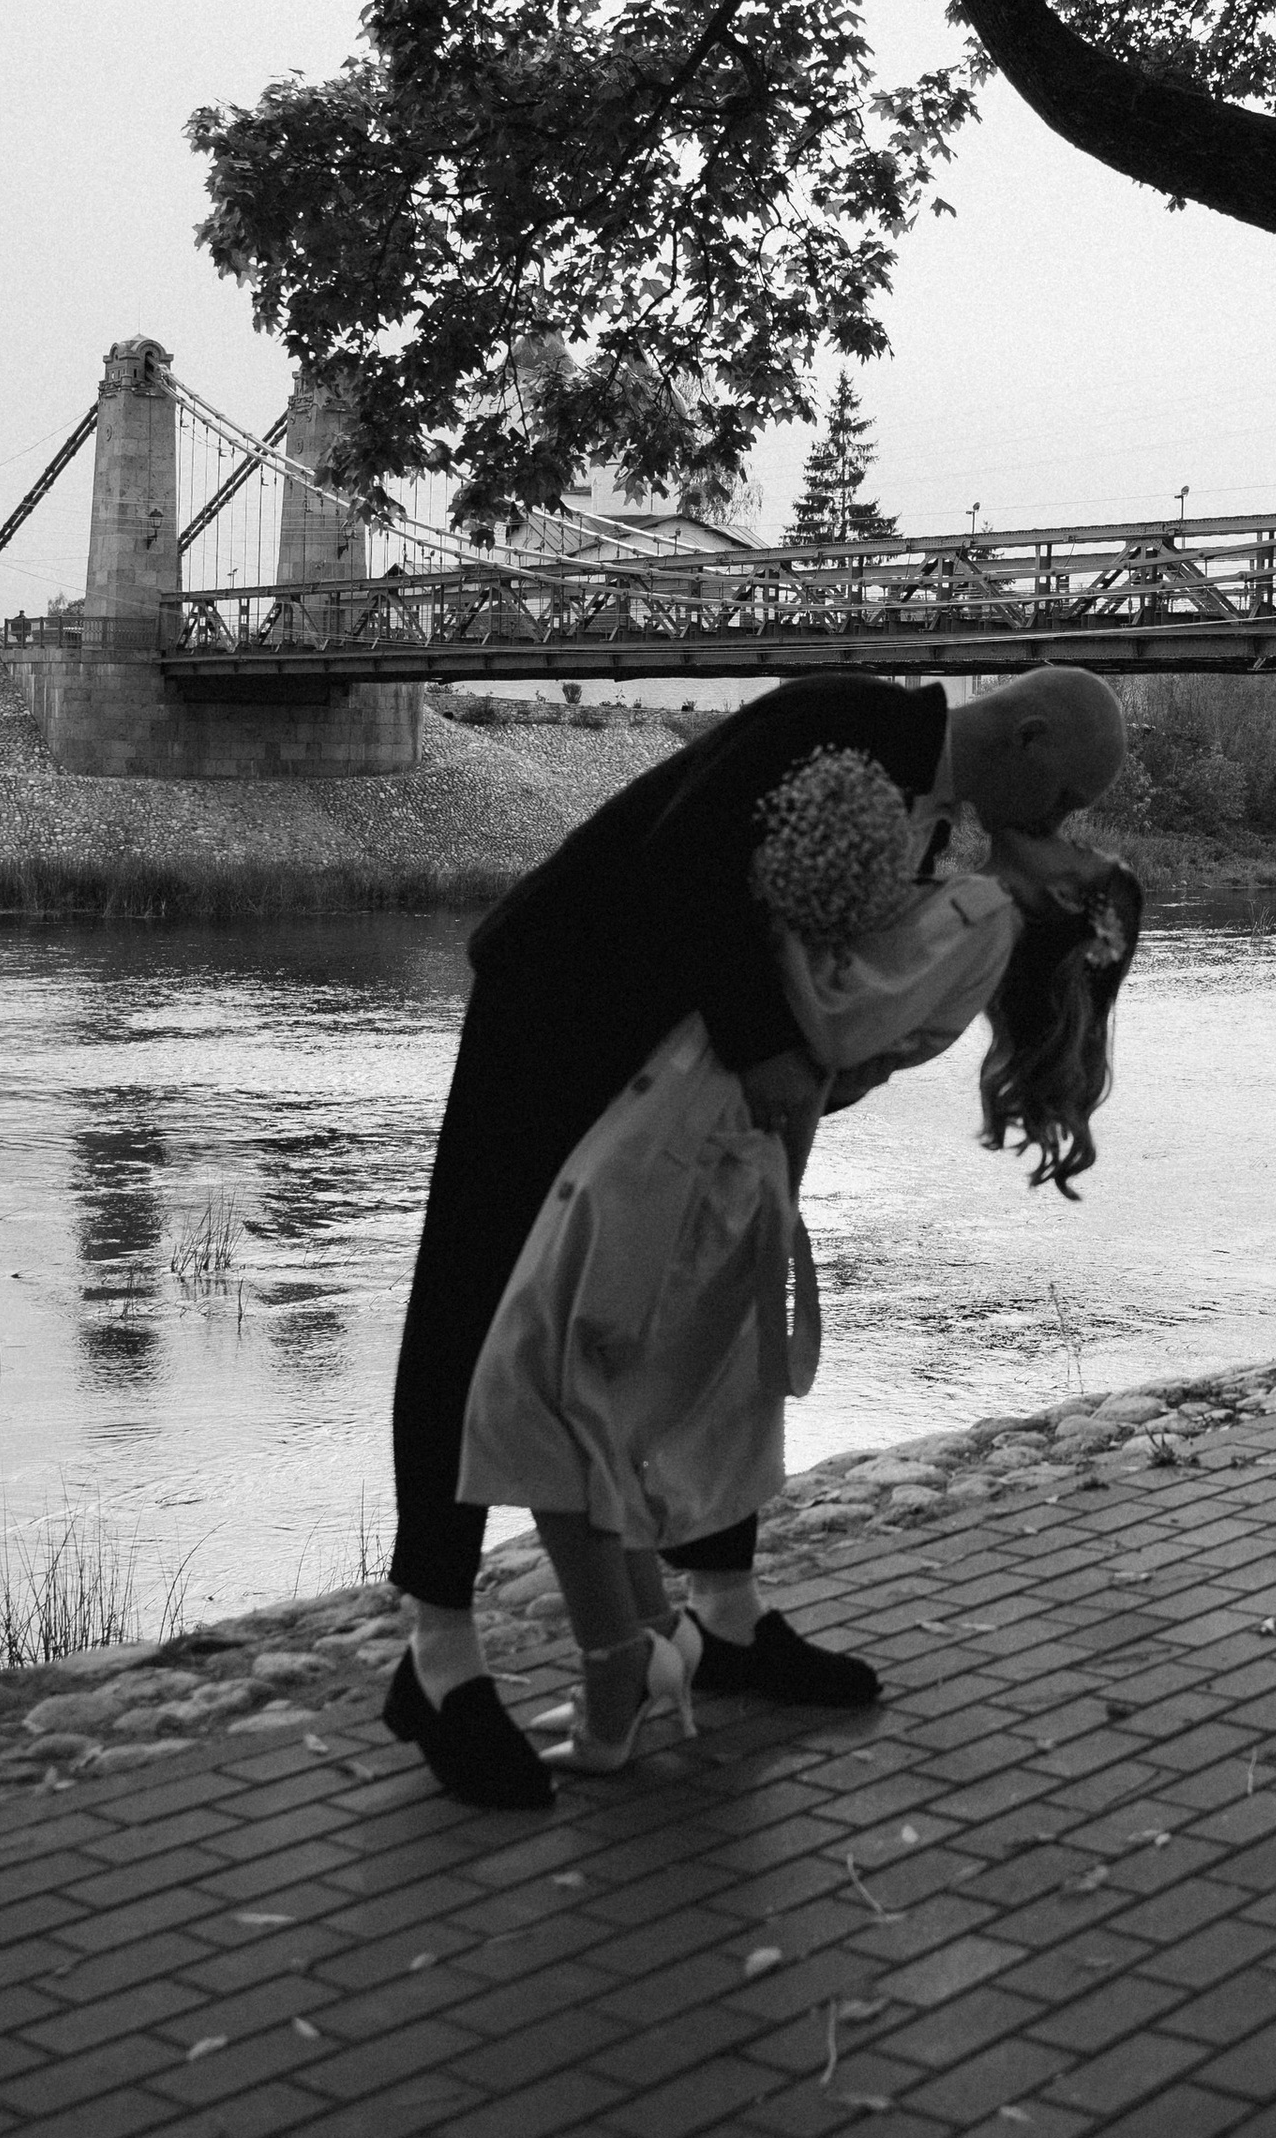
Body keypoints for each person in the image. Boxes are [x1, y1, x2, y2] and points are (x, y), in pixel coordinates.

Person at [381, 663, 1128, 1807]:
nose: (1061, 823)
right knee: (474, 1307)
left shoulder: (951, 826)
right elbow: (683, 857)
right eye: (1067, 796)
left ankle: (722, 1615)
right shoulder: (843, 720)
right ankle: (437, 1654)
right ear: (1026, 735)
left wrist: (823, 1061)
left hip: (688, 1080)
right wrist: (773, 1047)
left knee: (718, 1324)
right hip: (559, 1007)